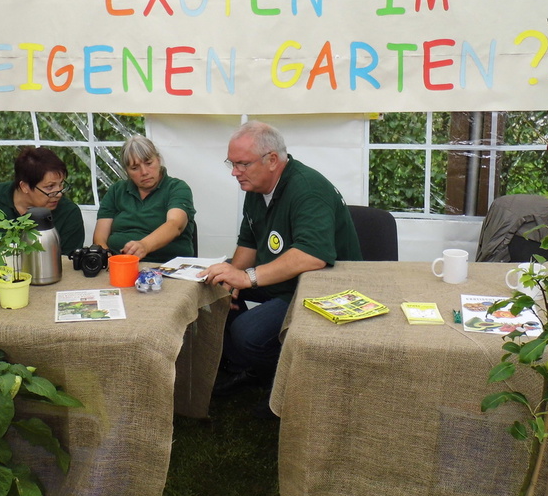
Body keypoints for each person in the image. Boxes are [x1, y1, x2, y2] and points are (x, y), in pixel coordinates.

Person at [200, 121, 362, 411]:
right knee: (213, 286)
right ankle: (254, 368)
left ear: (272, 160)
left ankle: (288, 383)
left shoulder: (308, 189)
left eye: (242, 164)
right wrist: (231, 281)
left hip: (322, 286)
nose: (235, 172)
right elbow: (249, 242)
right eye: (232, 163)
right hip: (285, 277)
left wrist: (246, 278)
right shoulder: (255, 188)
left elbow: (312, 255)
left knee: (247, 333)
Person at [92, 135, 196, 263]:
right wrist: (107, 259)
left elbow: (175, 225)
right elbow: (100, 237)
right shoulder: (116, 191)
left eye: (149, 163)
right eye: (134, 168)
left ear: (158, 160)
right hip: (120, 265)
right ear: (126, 171)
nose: (144, 172)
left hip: (167, 265)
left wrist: (145, 246)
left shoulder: (177, 188)